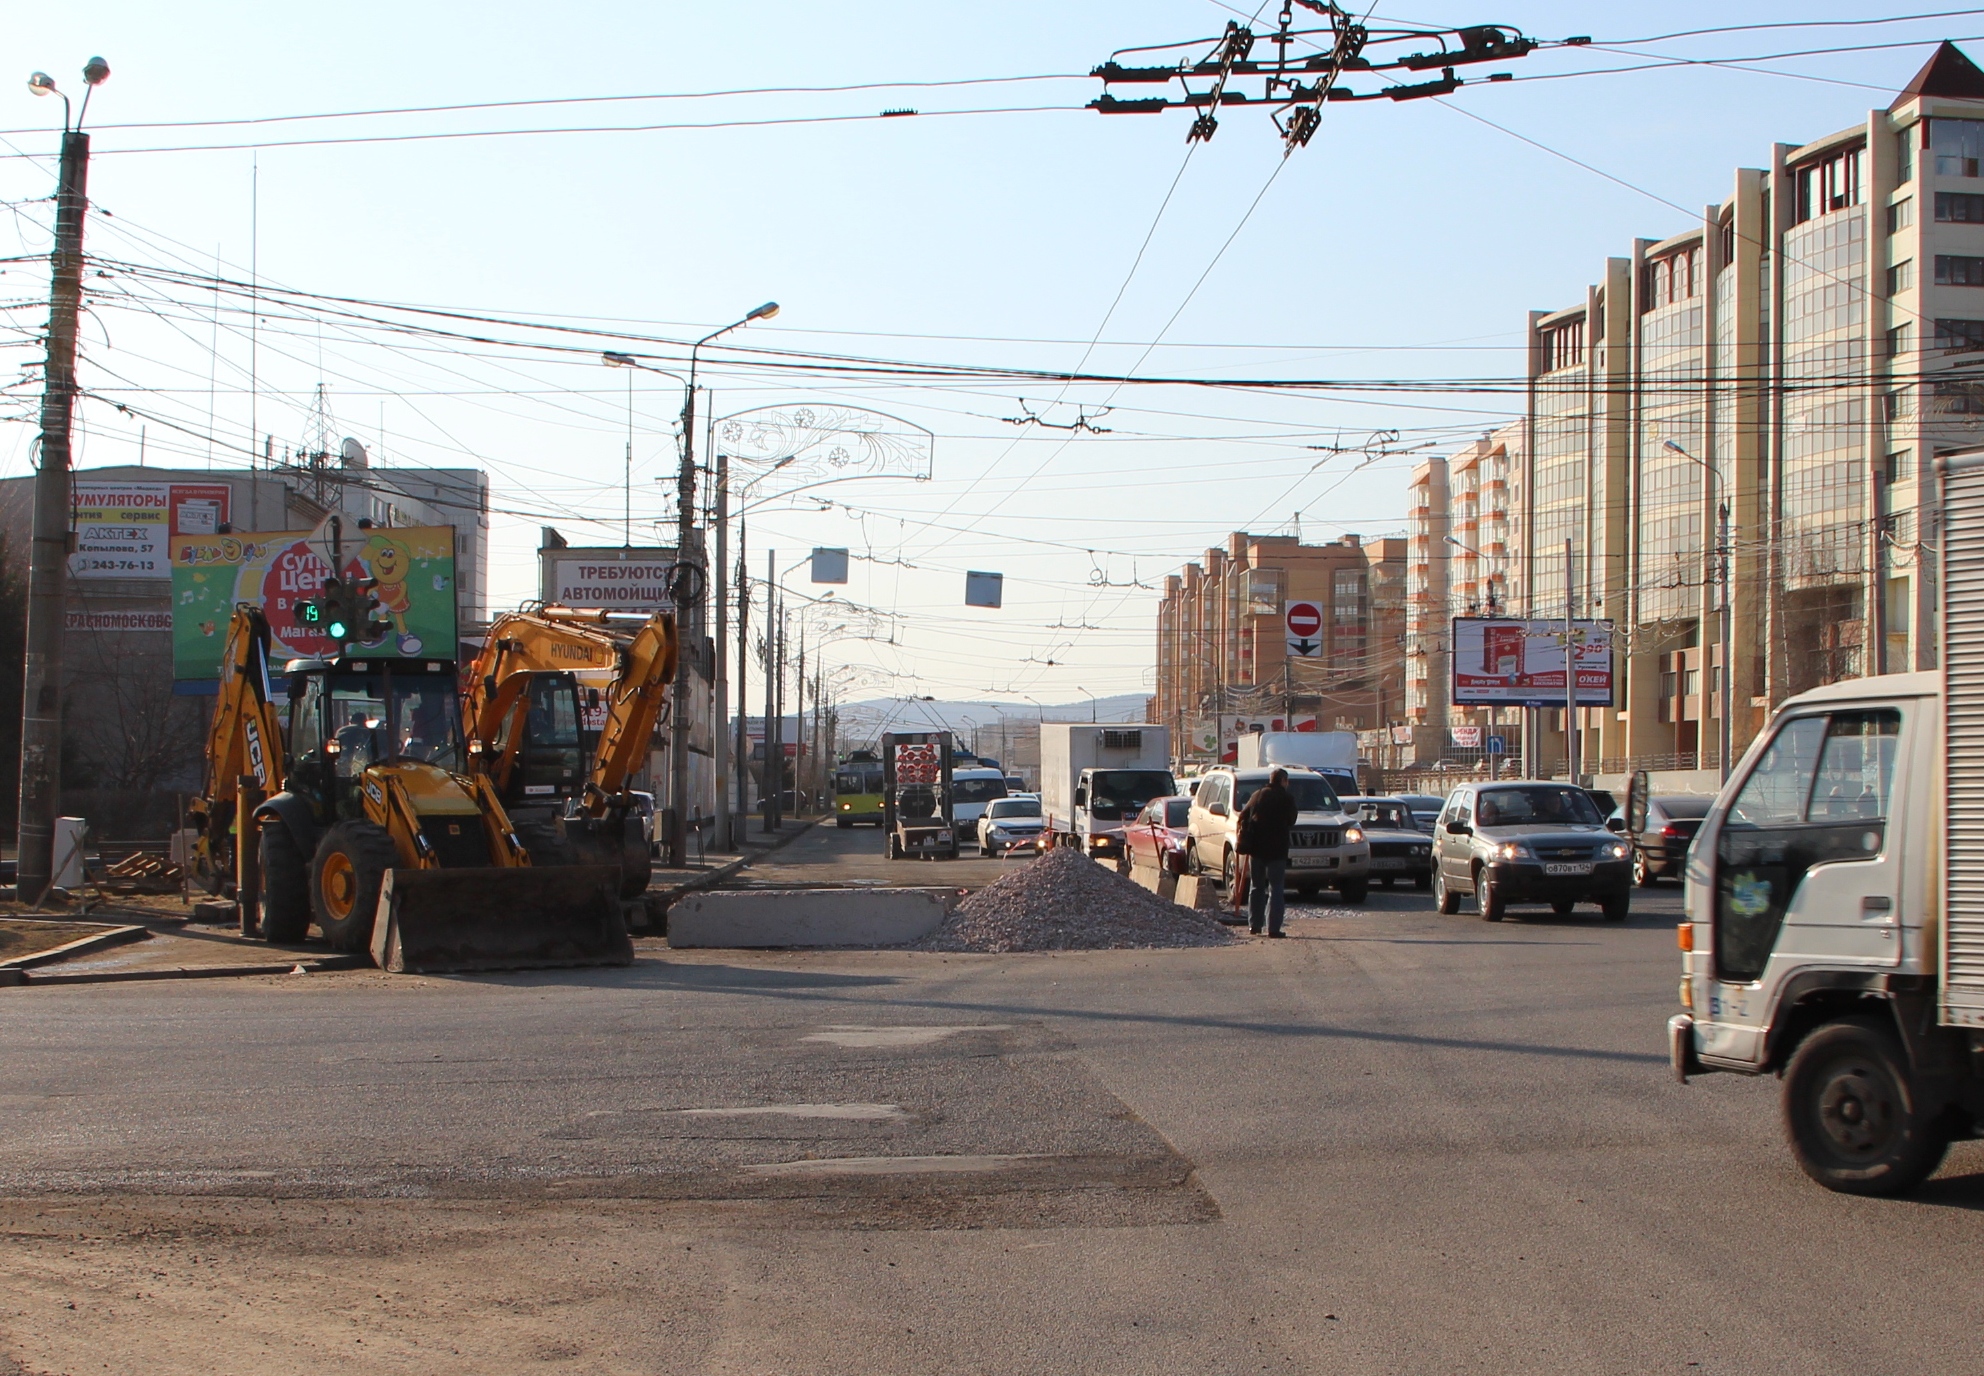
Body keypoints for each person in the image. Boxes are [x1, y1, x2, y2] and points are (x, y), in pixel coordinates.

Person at [1236, 767, 1298, 937]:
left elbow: (1243, 816)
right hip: (1277, 850)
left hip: (1256, 849)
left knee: (1256, 887)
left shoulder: (1257, 795)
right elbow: (1292, 820)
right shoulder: (1287, 798)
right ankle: (1274, 928)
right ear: (1283, 781)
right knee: (1276, 888)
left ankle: (1254, 925)